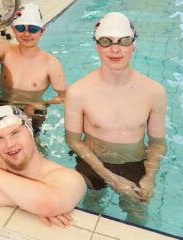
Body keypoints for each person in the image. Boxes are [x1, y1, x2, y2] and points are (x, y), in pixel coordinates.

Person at [65, 12, 167, 223]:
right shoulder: (78, 92)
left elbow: (157, 144)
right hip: (92, 163)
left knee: (138, 217)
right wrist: (111, 178)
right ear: (96, 46)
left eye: (124, 41)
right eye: (106, 42)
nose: (115, 49)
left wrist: (149, 177)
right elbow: (73, 141)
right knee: (90, 210)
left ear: (133, 45)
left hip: (134, 162)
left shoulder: (154, 92)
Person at [0, 105, 86, 227]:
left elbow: (46, 204)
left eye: (15, 133)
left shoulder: (69, 177)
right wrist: (33, 203)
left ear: (30, 132)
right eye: (0, 138)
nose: (9, 144)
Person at [0, 3, 67, 133]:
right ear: (13, 30)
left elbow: (64, 97)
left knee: (31, 146)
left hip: (32, 112)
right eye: (21, 28)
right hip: (2, 104)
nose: (27, 34)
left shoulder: (51, 63)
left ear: (41, 32)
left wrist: (37, 105)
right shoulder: (5, 50)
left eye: (33, 29)